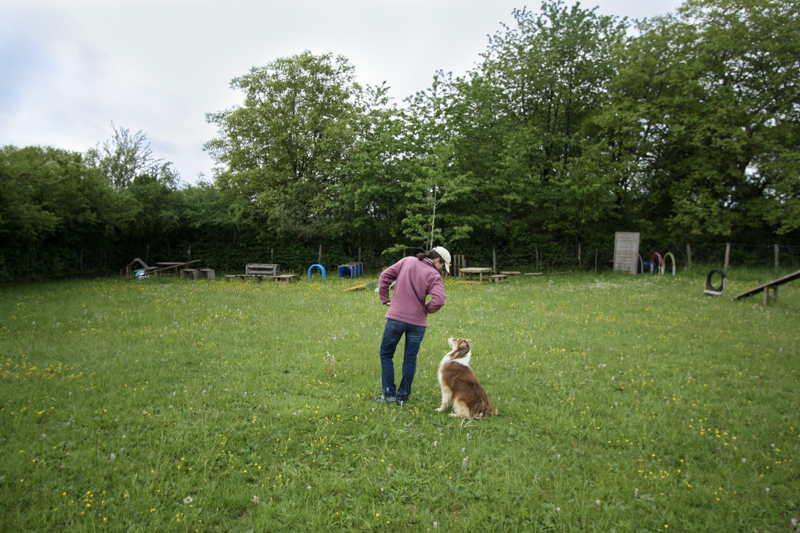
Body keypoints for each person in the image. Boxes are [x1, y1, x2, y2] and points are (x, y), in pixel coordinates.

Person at [374, 246, 451, 405]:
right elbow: (440, 300)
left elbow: (384, 276)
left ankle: (388, 395)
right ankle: (402, 397)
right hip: (417, 324)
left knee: (386, 355)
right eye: (443, 265)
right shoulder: (434, 275)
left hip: (395, 319)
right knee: (410, 359)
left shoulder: (407, 261)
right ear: (438, 260)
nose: (442, 269)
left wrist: (385, 298)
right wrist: (425, 309)